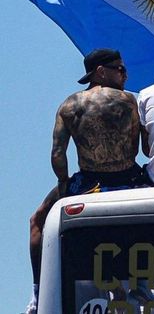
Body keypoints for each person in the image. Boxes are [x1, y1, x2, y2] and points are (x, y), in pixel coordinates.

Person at [26, 49, 141, 314]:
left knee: (38, 222)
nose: (125, 75)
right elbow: (135, 148)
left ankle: (37, 294)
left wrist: (65, 185)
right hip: (127, 178)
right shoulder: (127, 101)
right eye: (120, 69)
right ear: (101, 71)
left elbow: (57, 153)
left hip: (88, 181)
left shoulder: (69, 105)